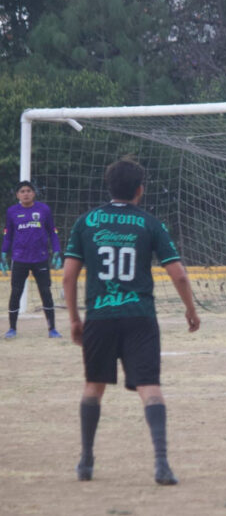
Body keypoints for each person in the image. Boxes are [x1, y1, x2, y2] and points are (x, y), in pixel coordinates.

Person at [62, 158, 201, 485]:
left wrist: (75, 319)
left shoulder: (86, 222)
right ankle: (162, 463)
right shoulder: (149, 223)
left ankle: (86, 461)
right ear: (140, 189)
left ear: (109, 187)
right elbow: (179, 274)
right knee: (149, 387)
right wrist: (191, 310)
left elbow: (68, 276)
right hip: (140, 317)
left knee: (93, 386)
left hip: (100, 316)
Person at [1, 181, 63, 339]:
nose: (26, 193)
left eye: (28, 190)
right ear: (17, 195)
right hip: (19, 258)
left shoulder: (44, 209)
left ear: (34, 193)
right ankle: (12, 329)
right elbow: (8, 236)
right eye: (22, 191)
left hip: (40, 258)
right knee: (16, 292)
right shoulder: (12, 211)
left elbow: (52, 232)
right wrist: (3, 253)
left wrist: (57, 251)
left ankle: (52, 329)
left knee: (46, 292)